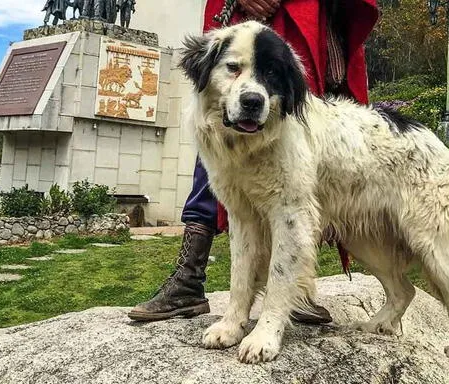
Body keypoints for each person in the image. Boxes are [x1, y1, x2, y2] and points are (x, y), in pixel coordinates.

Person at [128, 0, 379, 322]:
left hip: (304, 18)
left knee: (295, 166)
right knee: (219, 140)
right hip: (242, 17)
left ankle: (295, 291)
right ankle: (188, 278)